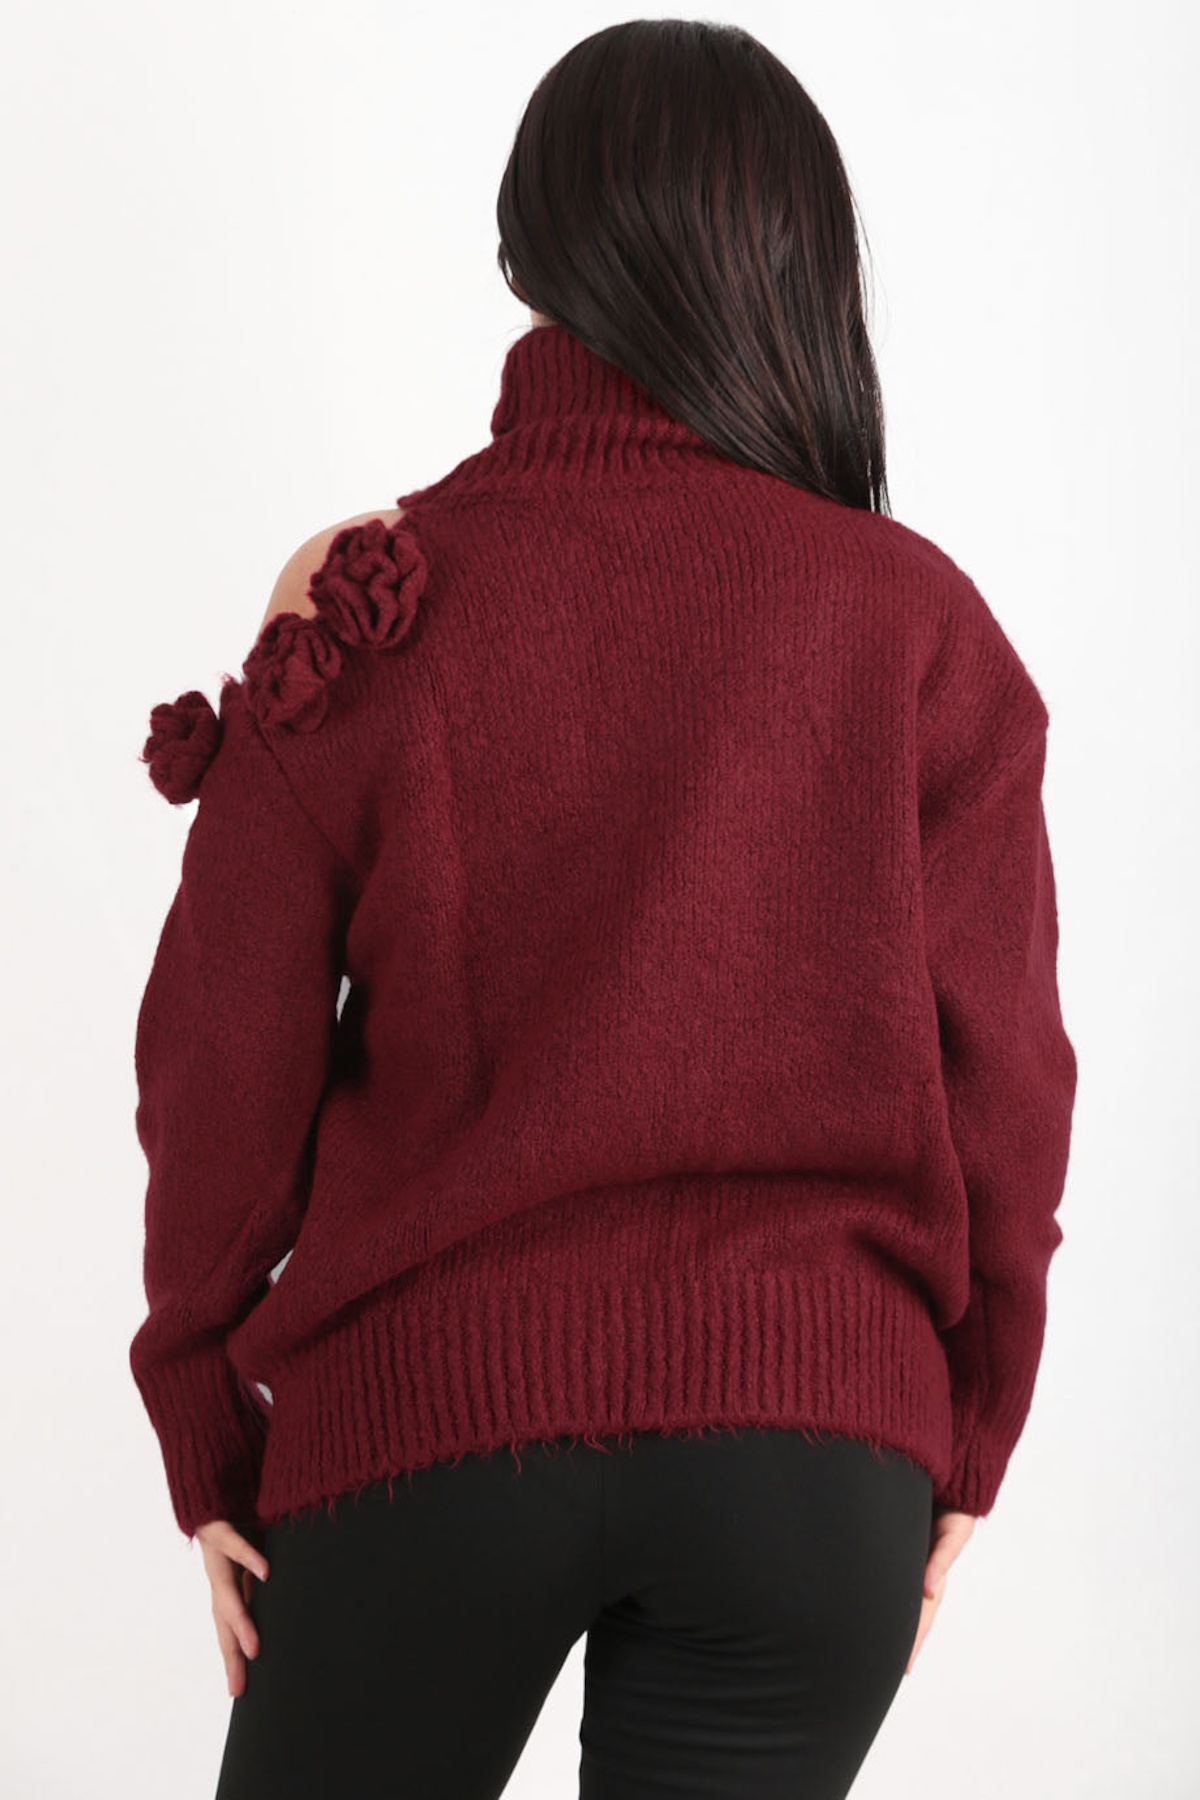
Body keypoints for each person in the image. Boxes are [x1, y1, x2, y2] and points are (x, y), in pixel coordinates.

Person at [129, 19, 1077, 1798]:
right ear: (802, 266)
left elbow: (223, 1055)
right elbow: (1009, 1084)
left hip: (431, 1426)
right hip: (816, 1450)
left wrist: (199, 1399)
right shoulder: (918, 622)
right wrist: (968, 1428)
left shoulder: (373, 598)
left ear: (525, 251)